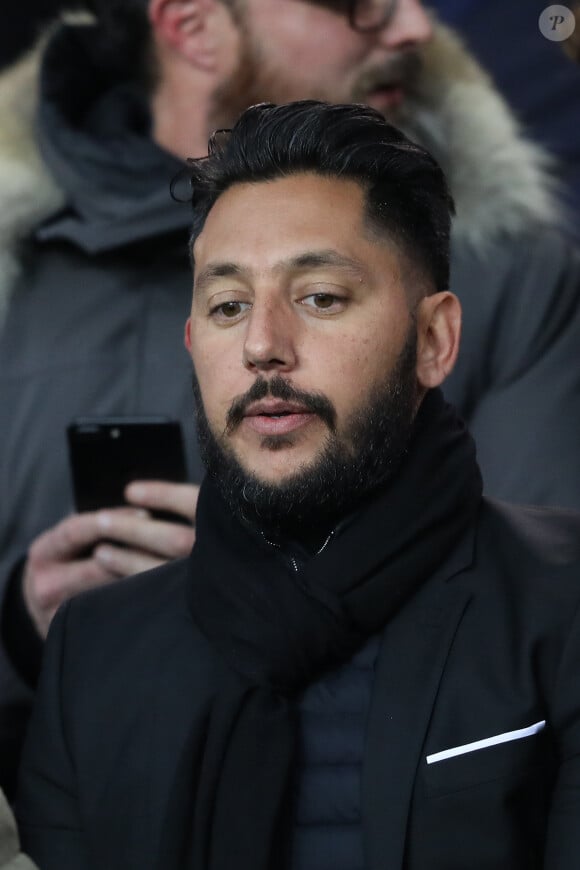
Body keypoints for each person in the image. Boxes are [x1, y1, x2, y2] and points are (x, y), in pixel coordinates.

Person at [2, 0, 580, 795]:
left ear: (437, 333)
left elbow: (534, 606)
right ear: (194, 23)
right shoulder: (16, 271)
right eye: (358, 4)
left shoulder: (508, 265)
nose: (414, 26)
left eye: (325, 297)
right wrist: (25, 626)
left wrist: (259, 596)